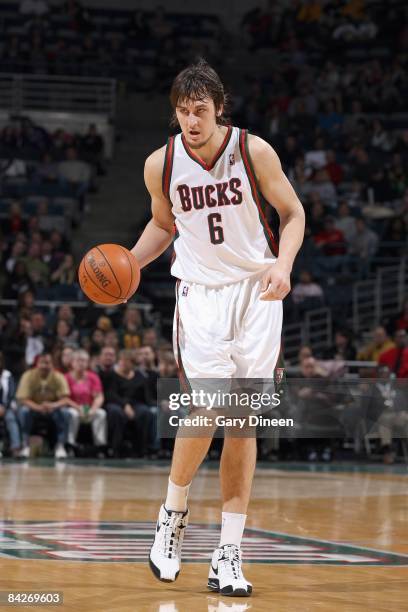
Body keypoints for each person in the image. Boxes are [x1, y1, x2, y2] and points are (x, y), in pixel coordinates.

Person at [129, 60, 305, 596]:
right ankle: (172, 515)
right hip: (201, 294)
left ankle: (228, 550)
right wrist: (132, 264)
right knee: (205, 409)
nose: (191, 122)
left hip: (257, 291)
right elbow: (164, 224)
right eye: (183, 112)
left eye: (200, 111)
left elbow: (293, 214)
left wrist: (283, 265)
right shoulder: (160, 164)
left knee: (243, 420)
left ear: (219, 109)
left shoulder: (254, 152)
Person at [16, 352, 70, 459]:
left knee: (65, 412)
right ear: (37, 363)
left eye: (47, 363)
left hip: (52, 410)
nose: (45, 366)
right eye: (42, 362)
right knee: (23, 411)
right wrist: (38, 407)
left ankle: (60, 446)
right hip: (33, 409)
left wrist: (53, 405)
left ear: (52, 364)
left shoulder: (59, 376)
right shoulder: (28, 375)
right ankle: (25, 446)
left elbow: (65, 399)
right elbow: (22, 399)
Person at [64, 349, 106, 455]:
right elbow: (64, 398)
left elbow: (99, 396)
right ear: (72, 362)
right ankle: (70, 445)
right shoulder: (66, 377)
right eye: (78, 360)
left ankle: (100, 446)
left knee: (101, 414)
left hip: (89, 408)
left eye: (84, 361)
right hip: (73, 408)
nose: (81, 363)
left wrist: (93, 410)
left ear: (87, 363)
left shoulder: (93, 377)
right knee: (71, 414)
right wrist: (78, 408)